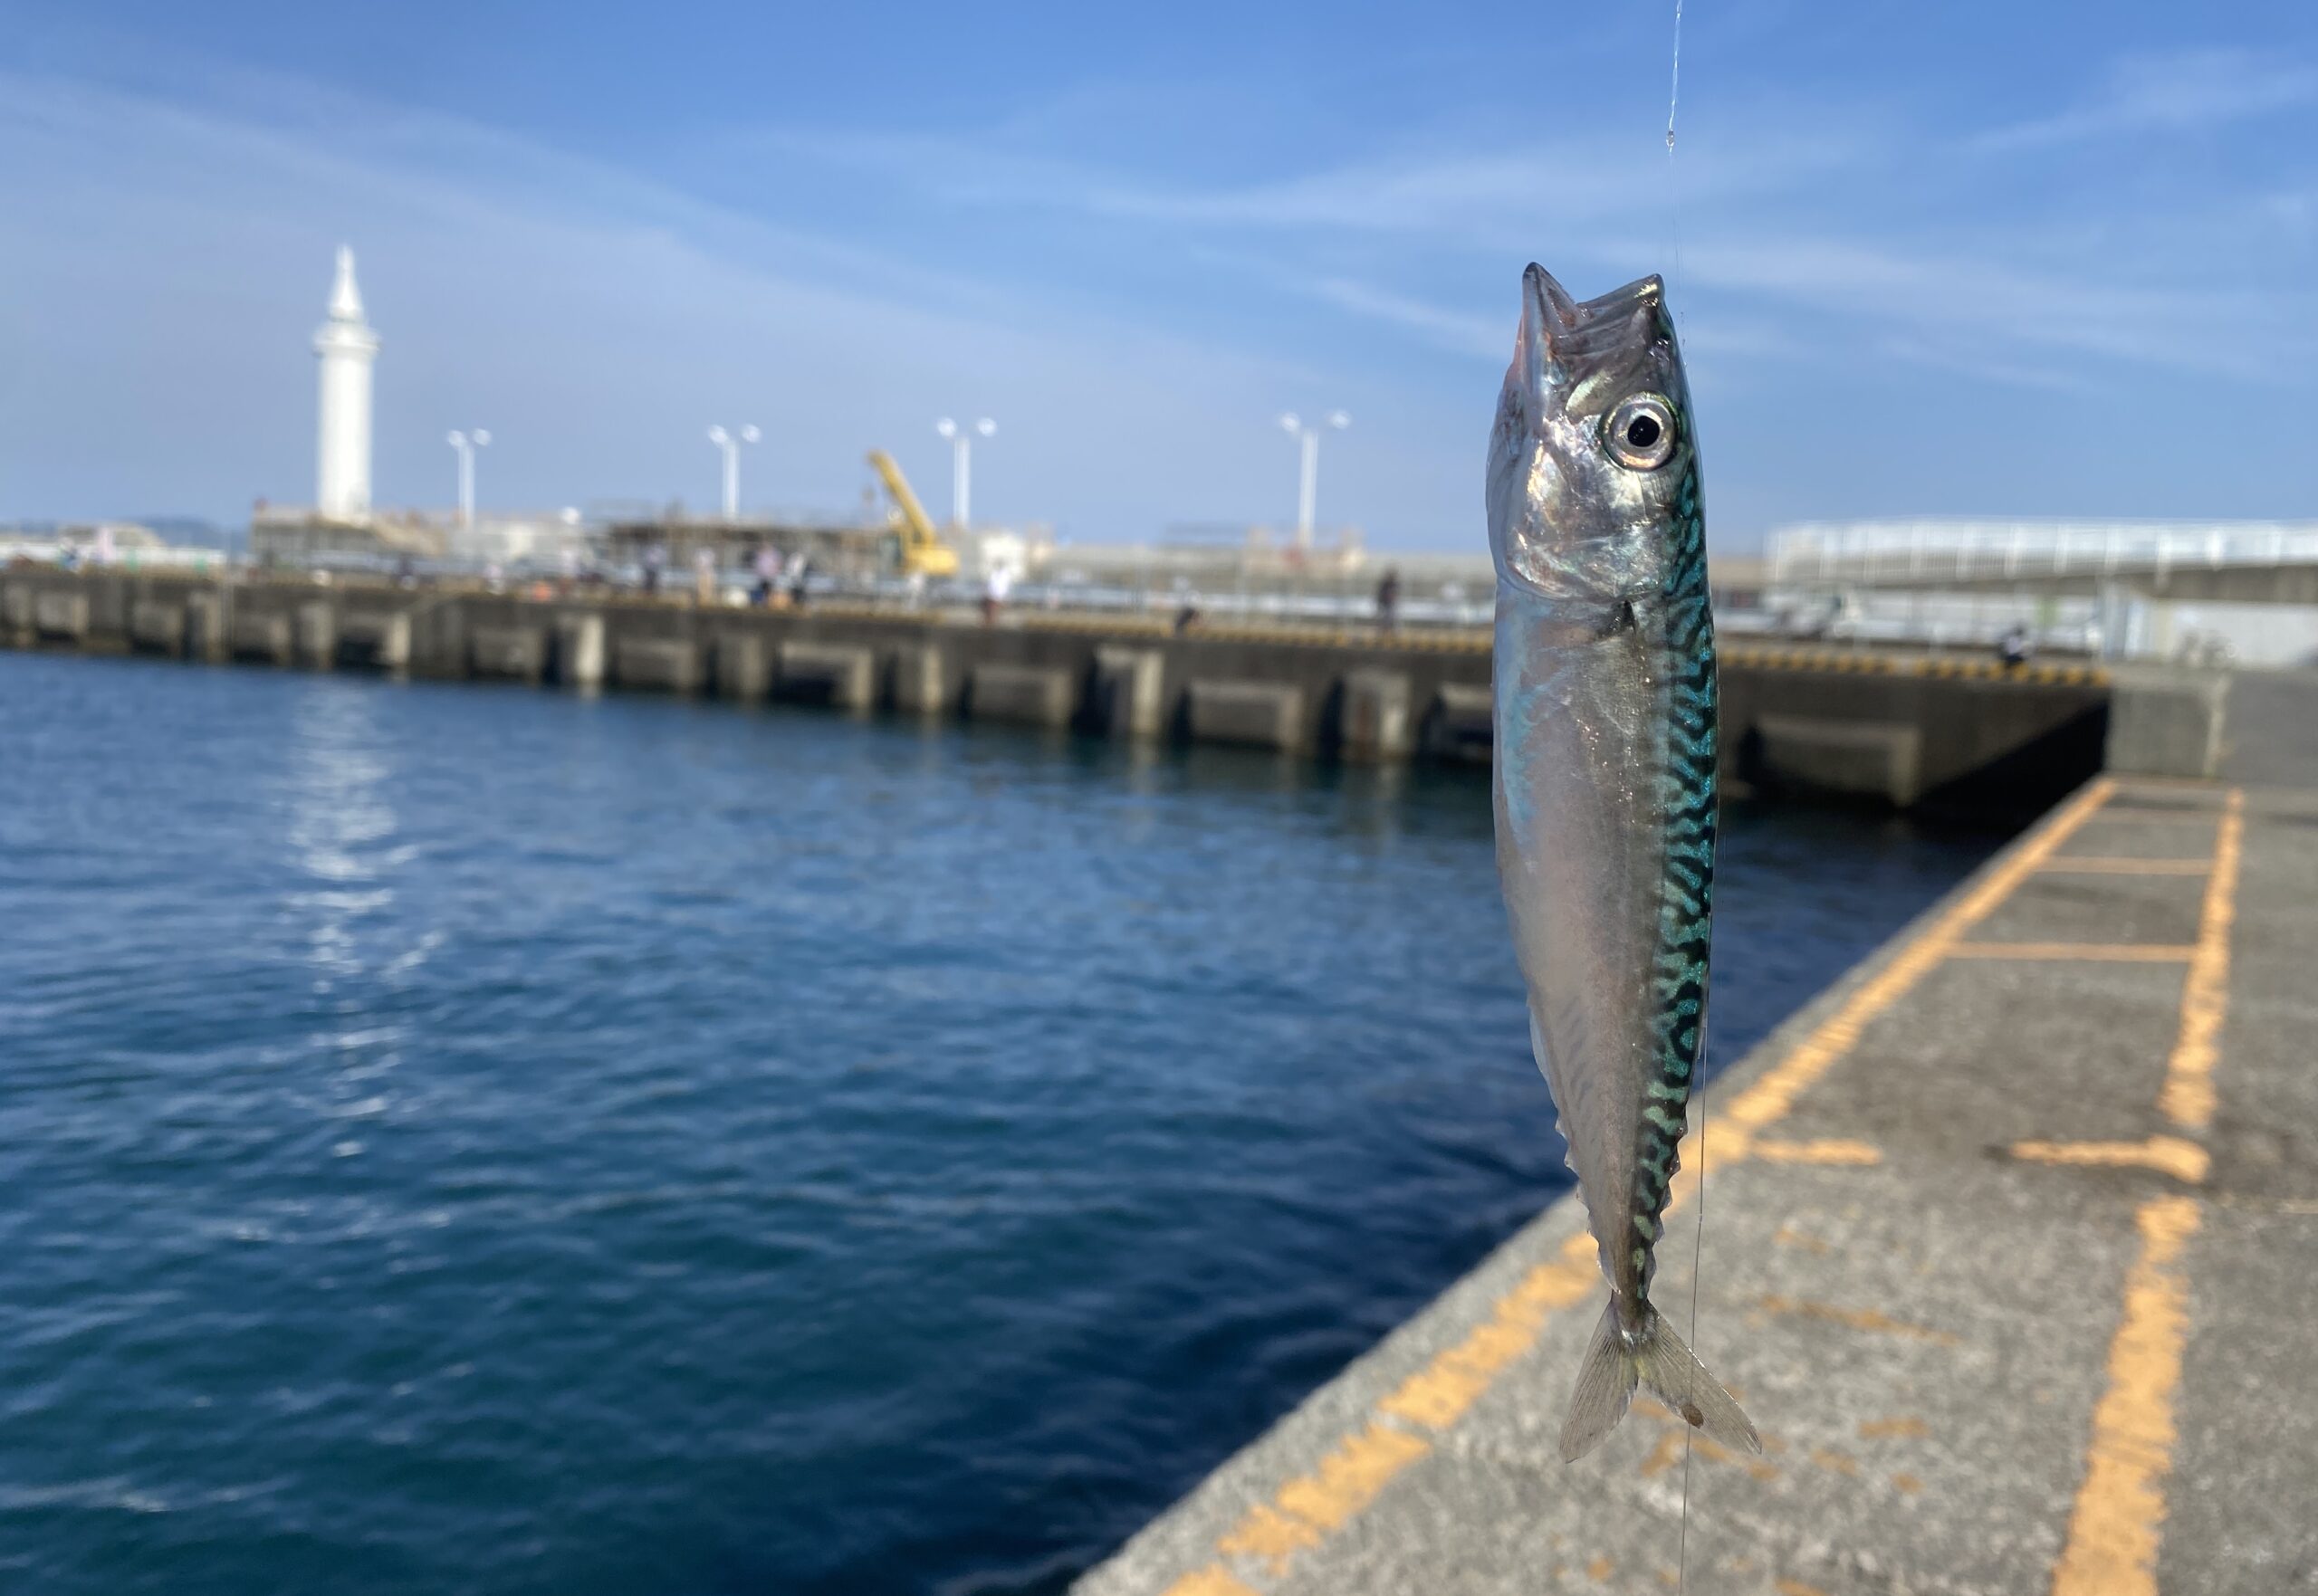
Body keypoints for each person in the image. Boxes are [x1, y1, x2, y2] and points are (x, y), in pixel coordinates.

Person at [981, 562, 1013, 626]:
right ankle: (989, 621)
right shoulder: (996, 574)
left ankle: (990, 621)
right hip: (994, 596)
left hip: (996, 596)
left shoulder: (1003, 575)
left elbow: (999, 588)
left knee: (992, 607)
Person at [1375, 567, 1402, 632]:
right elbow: (1381, 594)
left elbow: (1396, 594)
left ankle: (1390, 630)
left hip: (1390, 603)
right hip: (1385, 603)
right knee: (1385, 617)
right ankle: (1384, 630)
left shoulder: (1394, 584)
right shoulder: (1385, 584)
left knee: (1390, 617)